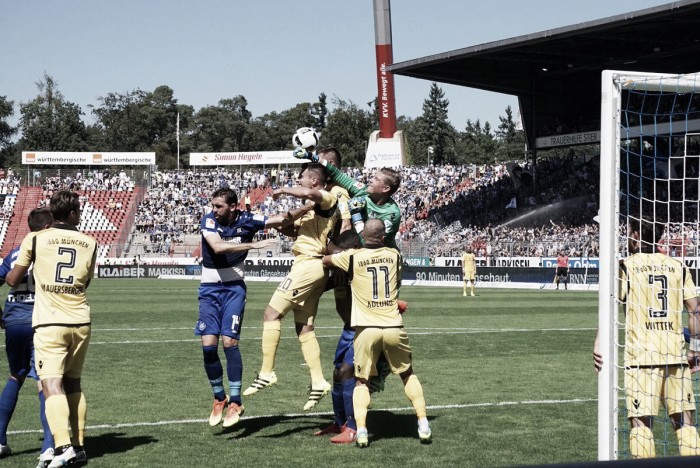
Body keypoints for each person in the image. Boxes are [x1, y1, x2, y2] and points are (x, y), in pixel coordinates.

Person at [197, 187, 312, 428]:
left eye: (219, 206)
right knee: (208, 347)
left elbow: (280, 219)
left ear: (233, 207)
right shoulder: (208, 219)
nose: (214, 210)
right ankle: (219, 397)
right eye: (213, 205)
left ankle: (235, 401)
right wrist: (253, 246)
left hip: (233, 289)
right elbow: (217, 247)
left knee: (229, 342)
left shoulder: (248, 220)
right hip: (209, 290)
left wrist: (312, 204)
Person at [593, 216, 700, 458]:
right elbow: (695, 309)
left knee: (641, 427)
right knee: (685, 425)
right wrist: (695, 349)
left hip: (641, 358)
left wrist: (599, 341)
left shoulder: (626, 266)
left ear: (636, 236)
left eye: (629, 231)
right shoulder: (678, 267)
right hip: (674, 355)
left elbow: (610, 306)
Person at [6, 191, 98, 467]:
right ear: (71, 214)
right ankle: (79, 446)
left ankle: (63, 447)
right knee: (74, 384)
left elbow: (13, 278)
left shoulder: (35, 238)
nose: (80, 215)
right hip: (80, 319)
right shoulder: (90, 242)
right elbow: (86, 282)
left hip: (50, 321)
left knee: (51, 384)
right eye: (78, 211)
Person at [322, 218, 431, 448]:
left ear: (363, 238)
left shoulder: (353, 257)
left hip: (366, 329)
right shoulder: (395, 255)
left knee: (360, 381)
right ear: (383, 237)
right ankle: (423, 424)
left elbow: (326, 259)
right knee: (408, 375)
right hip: (393, 325)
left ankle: (360, 431)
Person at [243, 163, 339, 411]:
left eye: (302, 179)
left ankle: (267, 372)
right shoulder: (311, 209)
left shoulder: (328, 198)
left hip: (307, 266)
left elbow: (310, 195)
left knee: (271, 314)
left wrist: (283, 190)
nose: (299, 182)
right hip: (311, 267)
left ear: (315, 182)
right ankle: (318, 382)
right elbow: (288, 227)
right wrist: (290, 218)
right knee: (304, 328)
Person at [0, 208, 55, 466]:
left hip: (13, 321)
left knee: (15, 375)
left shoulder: (14, 253)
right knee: (46, 381)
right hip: (39, 320)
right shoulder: (48, 250)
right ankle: (48, 447)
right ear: (46, 228)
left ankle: (0, 440)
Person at [293, 148, 401, 249]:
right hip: (362, 253)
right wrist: (312, 156)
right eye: (373, 177)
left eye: (376, 179)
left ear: (386, 188)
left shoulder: (392, 214)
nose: (371, 180)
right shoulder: (362, 191)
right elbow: (337, 175)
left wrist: (356, 215)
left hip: (384, 256)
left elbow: (371, 243)